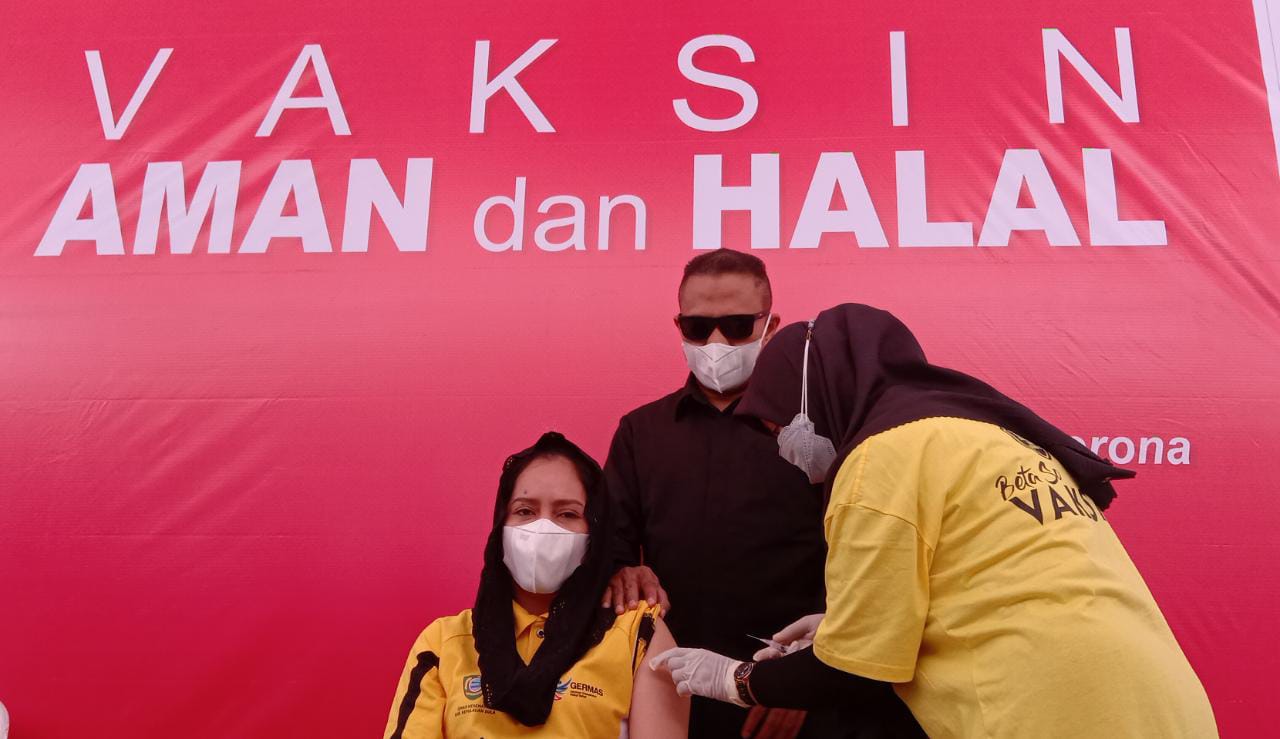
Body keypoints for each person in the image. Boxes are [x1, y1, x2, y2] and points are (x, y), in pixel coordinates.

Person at [649, 304, 1219, 737]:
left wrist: (734, 679)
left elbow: (855, 671)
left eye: (779, 427)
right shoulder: (981, 434)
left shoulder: (878, 459)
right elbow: (993, 580)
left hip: (1046, 708)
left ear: (815, 397)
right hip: (1158, 701)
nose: (783, 449)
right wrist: (843, 623)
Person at [603, 251, 920, 738]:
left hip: (800, 699)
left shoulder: (816, 433)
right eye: (698, 327)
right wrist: (624, 570)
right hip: (673, 694)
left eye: (736, 326)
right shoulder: (641, 432)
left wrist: (802, 681)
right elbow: (609, 549)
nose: (716, 342)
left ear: (770, 326)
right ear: (679, 326)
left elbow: (861, 560)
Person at [384, 432, 689, 738]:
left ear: (595, 531)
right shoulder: (444, 642)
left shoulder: (640, 634)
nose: (543, 528)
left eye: (567, 514)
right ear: (500, 525)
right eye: (524, 511)